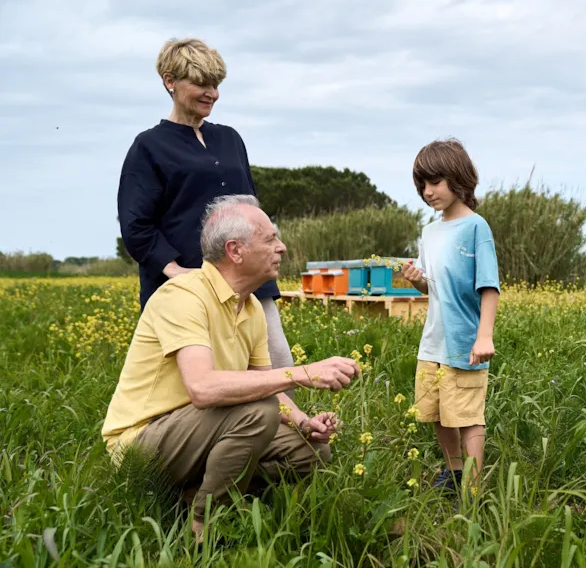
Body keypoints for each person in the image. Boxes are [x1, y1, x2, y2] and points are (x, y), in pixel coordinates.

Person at [102, 195, 361, 546]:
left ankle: (192, 493)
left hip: (203, 431)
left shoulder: (250, 306)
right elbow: (202, 388)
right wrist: (303, 373)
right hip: (142, 445)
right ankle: (204, 525)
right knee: (258, 411)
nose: (282, 247)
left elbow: (267, 388)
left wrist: (303, 422)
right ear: (235, 251)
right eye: (270, 239)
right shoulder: (183, 295)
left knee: (311, 452)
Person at [117, 37, 296, 391]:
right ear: (170, 81)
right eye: (201, 83)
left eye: (215, 85)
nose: (211, 93)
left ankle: (294, 428)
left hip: (249, 283)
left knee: (278, 369)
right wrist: (176, 271)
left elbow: (251, 208)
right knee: (199, 385)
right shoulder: (148, 146)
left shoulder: (230, 139)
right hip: (189, 289)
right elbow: (136, 224)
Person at [400, 138, 500, 496]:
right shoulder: (429, 232)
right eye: (422, 185)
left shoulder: (476, 228)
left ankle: (472, 489)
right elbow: (431, 288)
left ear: (458, 179)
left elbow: (489, 286)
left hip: (465, 341)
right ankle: (454, 472)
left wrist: (484, 336)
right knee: (438, 412)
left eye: (435, 182)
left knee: (468, 415)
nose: (428, 192)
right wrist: (416, 281)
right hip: (433, 341)